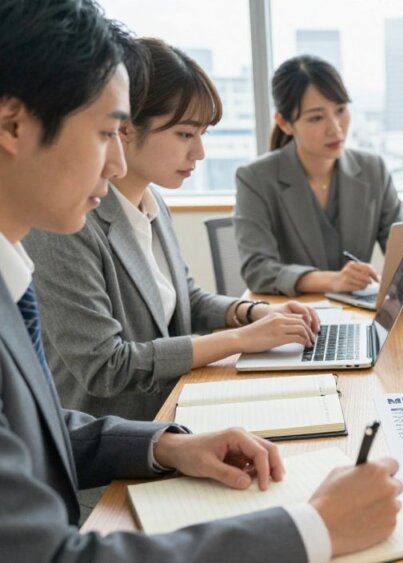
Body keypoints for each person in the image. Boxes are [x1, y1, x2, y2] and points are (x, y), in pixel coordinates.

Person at [0, 1, 401, 560]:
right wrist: (313, 530)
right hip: (97, 505)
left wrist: (166, 446)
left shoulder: (16, 270)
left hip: (153, 433)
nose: (115, 164)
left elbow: (37, 427)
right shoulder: (55, 234)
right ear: (13, 124)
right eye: (106, 132)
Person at [24, 37, 322, 422]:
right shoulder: (68, 223)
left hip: (177, 407)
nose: (199, 153)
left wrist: (253, 312)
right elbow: (106, 367)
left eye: (202, 135)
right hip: (118, 441)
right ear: (126, 129)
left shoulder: (151, 200)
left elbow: (189, 301)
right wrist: (237, 340)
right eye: (185, 134)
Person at [234, 55, 403, 297]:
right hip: (294, 317)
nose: (335, 128)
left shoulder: (372, 169)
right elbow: (257, 269)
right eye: (316, 117)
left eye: (340, 110)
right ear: (284, 123)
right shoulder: (255, 178)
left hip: (360, 312)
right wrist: (332, 280)